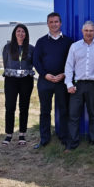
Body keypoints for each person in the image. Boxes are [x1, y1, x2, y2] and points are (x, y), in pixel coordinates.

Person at [63, 20, 94, 152]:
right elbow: (69, 66)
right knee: (73, 115)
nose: (88, 33)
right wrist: (69, 84)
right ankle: (72, 143)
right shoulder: (74, 46)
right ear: (82, 31)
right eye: (86, 31)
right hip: (78, 85)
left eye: (91, 31)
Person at [32, 12, 73, 149]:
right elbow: (36, 61)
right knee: (45, 111)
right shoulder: (41, 42)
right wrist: (45, 75)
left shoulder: (68, 42)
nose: (54, 24)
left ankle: (64, 138)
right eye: (51, 22)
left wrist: (64, 74)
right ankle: (44, 139)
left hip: (62, 81)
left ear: (60, 23)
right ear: (48, 24)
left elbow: (71, 62)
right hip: (45, 81)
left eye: (56, 22)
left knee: (63, 110)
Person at [1, 23, 35, 146]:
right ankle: (9, 134)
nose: (21, 34)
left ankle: (22, 134)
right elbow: (6, 63)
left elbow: (33, 63)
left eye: (23, 32)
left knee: (24, 107)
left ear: (26, 34)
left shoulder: (31, 48)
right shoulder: (7, 47)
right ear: (14, 33)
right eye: (18, 31)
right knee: (10, 106)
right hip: (11, 80)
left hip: (26, 80)